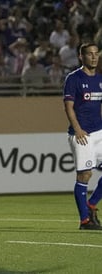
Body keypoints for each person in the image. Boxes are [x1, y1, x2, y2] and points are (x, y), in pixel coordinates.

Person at [63, 42, 102, 230]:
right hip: (82, 134)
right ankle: (85, 220)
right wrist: (77, 129)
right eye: (90, 54)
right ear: (81, 56)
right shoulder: (74, 78)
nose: (94, 57)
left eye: (96, 54)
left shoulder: (100, 79)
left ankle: (91, 203)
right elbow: (68, 106)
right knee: (85, 174)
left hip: (99, 132)